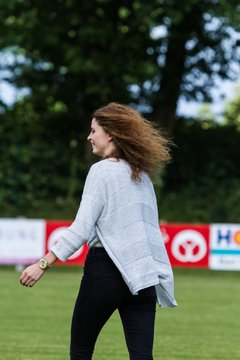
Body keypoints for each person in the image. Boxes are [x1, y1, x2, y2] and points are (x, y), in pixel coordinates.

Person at [20, 102, 177, 360]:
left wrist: (43, 264)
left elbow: (81, 228)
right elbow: (150, 233)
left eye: (94, 131)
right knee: (142, 356)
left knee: (81, 351)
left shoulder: (102, 170)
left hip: (106, 272)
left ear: (111, 134)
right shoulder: (143, 176)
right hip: (142, 276)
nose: (89, 137)